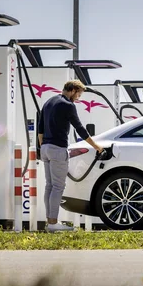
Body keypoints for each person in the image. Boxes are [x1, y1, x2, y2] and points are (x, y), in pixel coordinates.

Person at [37, 80, 104, 232]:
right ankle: (53, 224)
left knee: (49, 186)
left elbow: (40, 129)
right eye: (78, 94)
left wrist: (44, 147)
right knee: (58, 186)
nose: (78, 98)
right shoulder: (68, 105)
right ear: (73, 90)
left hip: (45, 148)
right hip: (57, 148)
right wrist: (95, 146)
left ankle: (50, 221)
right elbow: (79, 128)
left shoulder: (48, 102)